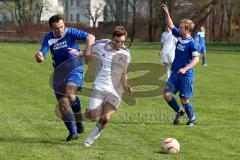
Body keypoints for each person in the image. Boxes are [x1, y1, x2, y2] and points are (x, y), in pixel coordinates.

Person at [35, 15, 95, 141]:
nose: (60, 30)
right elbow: (42, 54)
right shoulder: (49, 38)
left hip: (75, 70)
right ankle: (73, 133)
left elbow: (91, 37)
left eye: (62, 26)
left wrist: (88, 52)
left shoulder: (71, 32)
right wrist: (39, 56)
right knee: (63, 105)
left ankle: (78, 120)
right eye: (57, 28)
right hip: (59, 74)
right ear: (52, 28)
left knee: (70, 95)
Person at [82, 26, 133, 147]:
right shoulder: (101, 45)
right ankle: (90, 112)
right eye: (117, 41)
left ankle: (90, 138)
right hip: (99, 86)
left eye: (122, 42)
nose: (119, 44)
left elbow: (124, 72)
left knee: (105, 118)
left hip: (116, 89)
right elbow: (88, 48)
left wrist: (126, 85)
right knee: (93, 116)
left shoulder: (126, 53)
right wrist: (83, 53)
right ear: (112, 39)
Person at [161, 3, 199, 126]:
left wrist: (185, 68)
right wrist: (166, 13)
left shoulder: (192, 43)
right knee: (166, 94)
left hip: (186, 75)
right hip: (174, 73)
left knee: (184, 99)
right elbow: (170, 25)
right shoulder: (179, 35)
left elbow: (196, 59)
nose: (179, 28)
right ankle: (179, 111)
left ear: (187, 28)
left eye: (181, 27)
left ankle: (192, 119)